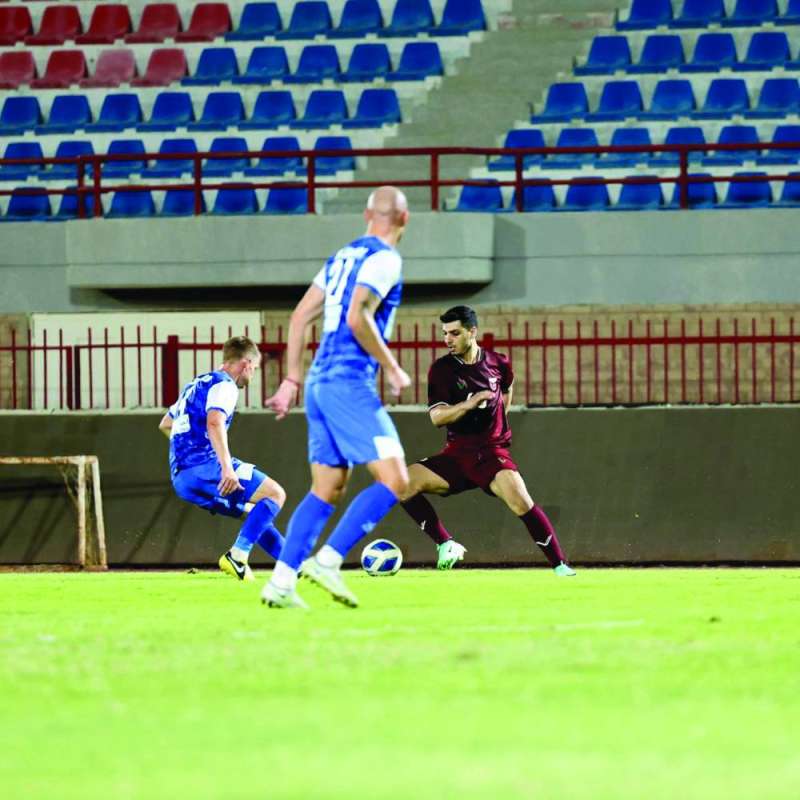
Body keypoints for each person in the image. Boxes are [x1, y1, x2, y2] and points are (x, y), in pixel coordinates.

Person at [262, 186, 411, 609]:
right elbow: (357, 316)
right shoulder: (386, 259)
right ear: (404, 220)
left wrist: (291, 379)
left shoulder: (342, 257)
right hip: (348, 381)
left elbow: (299, 316)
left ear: (367, 215)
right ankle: (328, 561)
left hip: (317, 384)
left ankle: (281, 584)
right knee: (396, 479)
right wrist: (392, 366)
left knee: (326, 488)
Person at [399, 306, 576, 576]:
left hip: (491, 453)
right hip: (457, 455)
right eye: (445, 333)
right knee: (402, 483)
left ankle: (560, 565)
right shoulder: (442, 370)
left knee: (521, 501)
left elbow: (507, 387)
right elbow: (437, 417)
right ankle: (445, 544)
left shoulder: (498, 362)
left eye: (455, 333)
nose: (448, 339)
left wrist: (499, 419)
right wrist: (468, 404)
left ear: (472, 332)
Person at [158, 335, 286, 582]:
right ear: (246, 364)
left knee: (255, 514)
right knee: (275, 494)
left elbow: (166, 424)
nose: (253, 375)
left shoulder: (196, 384)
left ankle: (292, 563)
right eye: (255, 368)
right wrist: (226, 468)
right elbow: (215, 422)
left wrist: (186, 454)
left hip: (183, 478)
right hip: (205, 467)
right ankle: (237, 556)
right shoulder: (225, 384)